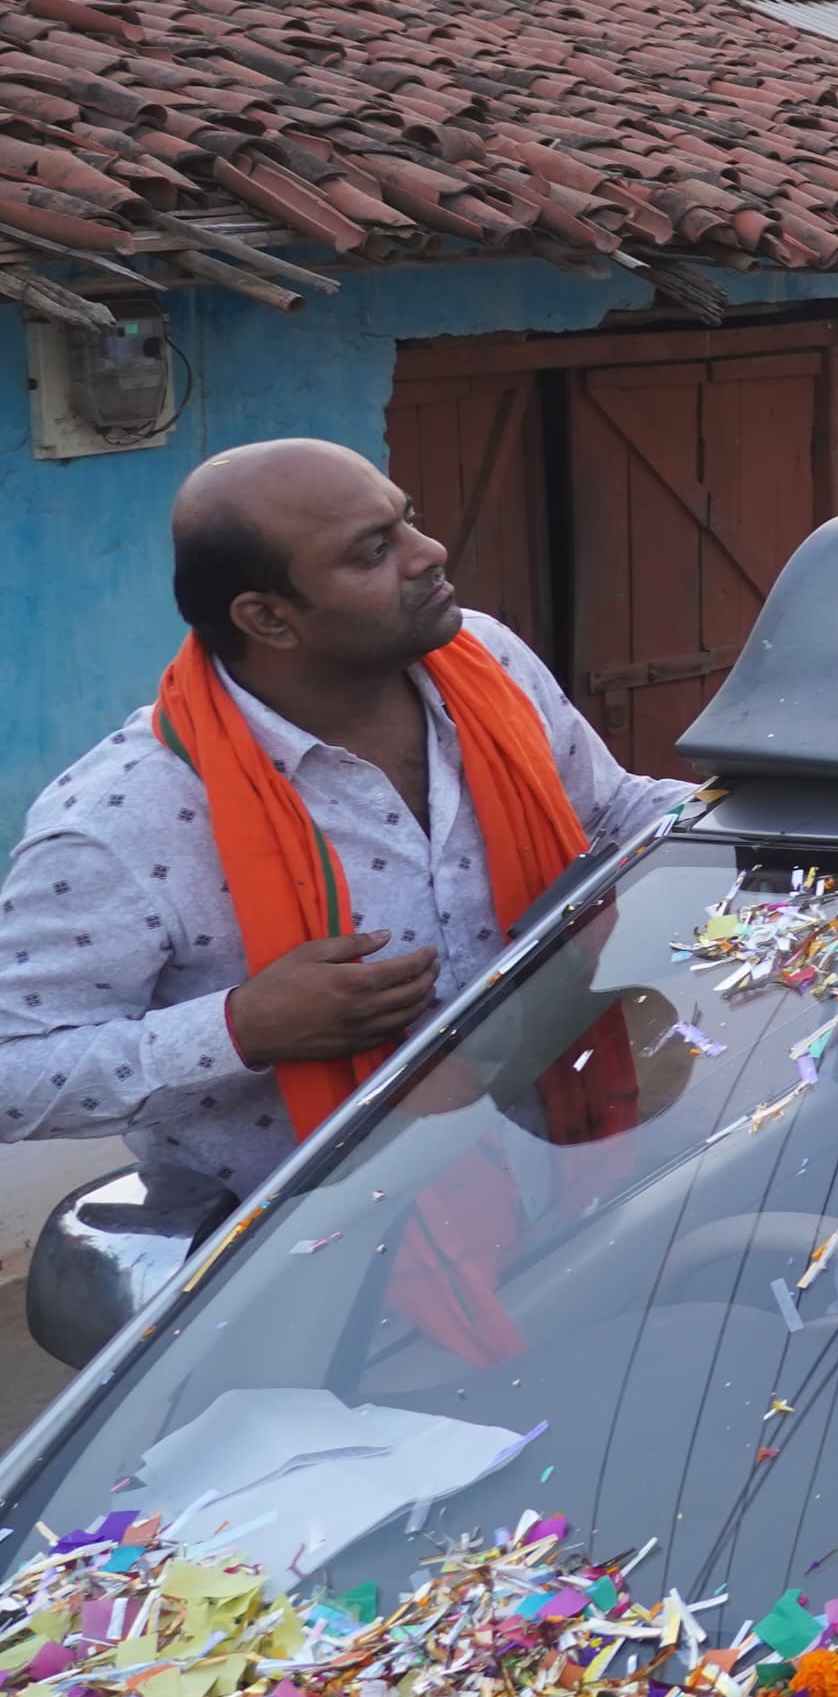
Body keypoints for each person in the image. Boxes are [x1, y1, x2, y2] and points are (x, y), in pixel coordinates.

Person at [0, 441, 695, 1209]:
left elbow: (608, 811)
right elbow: (12, 1072)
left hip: (570, 1179)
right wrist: (241, 1028)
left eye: (408, 520)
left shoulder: (486, 662)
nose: (429, 553)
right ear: (268, 618)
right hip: (308, 1254)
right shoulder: (120, 822)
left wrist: (778, 825)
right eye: (373, 550)